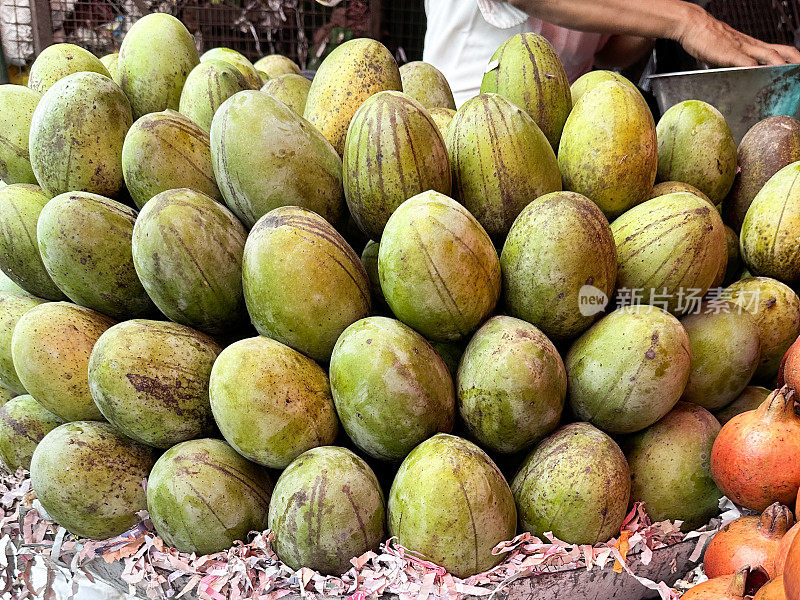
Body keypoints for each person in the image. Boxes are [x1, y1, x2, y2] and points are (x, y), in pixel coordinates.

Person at [423, 0, 800, 107]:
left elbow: (608, 51)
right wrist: (685, 20)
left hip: (561, 149)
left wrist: (668, 10)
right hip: (463, 130)